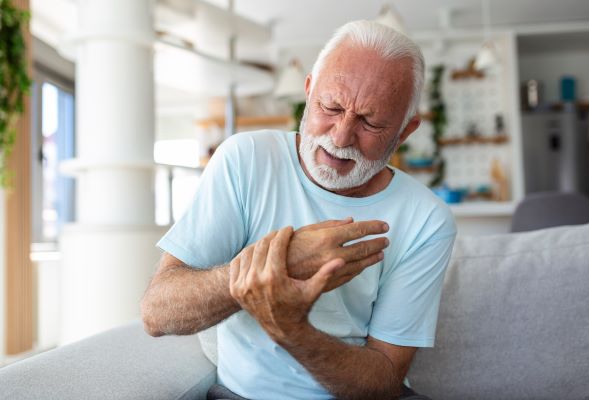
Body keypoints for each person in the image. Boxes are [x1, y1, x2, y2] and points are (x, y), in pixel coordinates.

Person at [142, 20, 456, 400]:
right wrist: (282, 264)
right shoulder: (246, 159)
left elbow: (383, 381)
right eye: (331, 106)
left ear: (405, 132)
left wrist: (291, 326)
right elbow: (158, 313)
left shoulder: (427, 218)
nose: (340, 137)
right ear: (308, 92)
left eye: (370, 122)